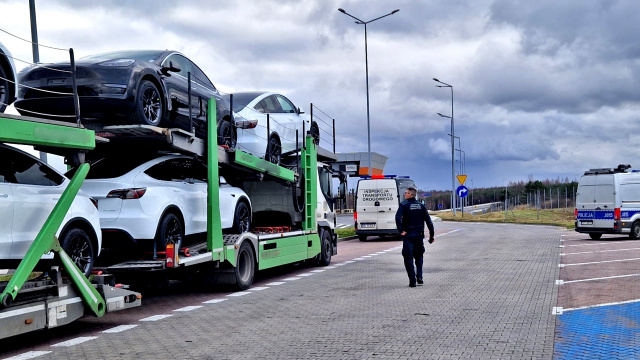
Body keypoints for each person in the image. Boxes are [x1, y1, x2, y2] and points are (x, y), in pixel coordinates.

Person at [395, 187, 435, 287]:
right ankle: (420, 276)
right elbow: (429, 221)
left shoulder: (403, 205)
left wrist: (401, 231)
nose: (404, 194)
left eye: (406, 193)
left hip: (408, 236)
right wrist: (431, 236)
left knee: (408, 257)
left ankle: (412, 281)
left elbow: (397, 217)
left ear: (411, 195)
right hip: (419, 236)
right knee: (419, 256)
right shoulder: (421, 206)